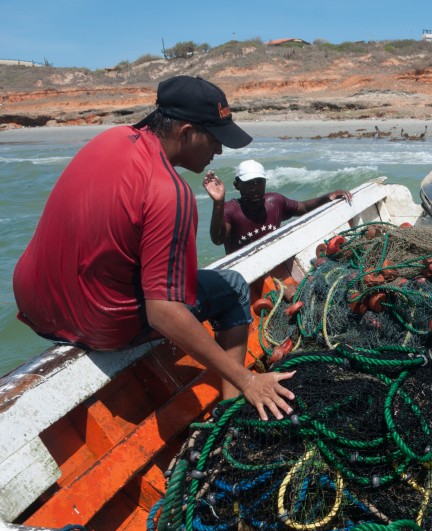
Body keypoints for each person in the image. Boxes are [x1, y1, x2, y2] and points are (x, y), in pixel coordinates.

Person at [13, 75, 295, 421]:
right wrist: (248, 379)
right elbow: (162, 312)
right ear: (186, 133)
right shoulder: (170, 193)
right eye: (216, 139)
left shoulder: (112, 138)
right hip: (98, 325)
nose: (218, 151)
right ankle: (230, 414)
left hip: (35, 307)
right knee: (234, 288)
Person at [209, 159, 352, 254]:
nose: (255, 188)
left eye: (259, 181)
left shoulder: (274, 202)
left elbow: (304, 207)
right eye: (249, 183)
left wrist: (328, 196)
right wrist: (218, 203)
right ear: (237, 185)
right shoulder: (229, 210)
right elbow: (218, 240)